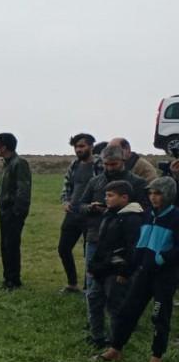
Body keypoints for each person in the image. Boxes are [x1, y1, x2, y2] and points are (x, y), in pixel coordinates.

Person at [100, 176, 179, 362]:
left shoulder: (176, 217)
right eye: (151, 193)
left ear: (168, 195)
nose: (153, 197)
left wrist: (162, 259)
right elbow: (139, 246)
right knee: (128, 311)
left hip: (165, 276)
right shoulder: (147, 215)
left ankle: (156, 358)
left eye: (158, 193)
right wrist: (128, 270)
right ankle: (115, 349)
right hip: (144, 273)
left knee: (159, 316)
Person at [77, 144, 147, 340]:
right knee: (93, 289)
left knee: (119, 290)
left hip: (123, 245)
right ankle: (95, 329)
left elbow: (145, 209)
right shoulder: (95, 182)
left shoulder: (137, 183)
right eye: (106, 164)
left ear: (123, 161)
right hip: (96, 239)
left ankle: (122, 330)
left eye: (113, 164)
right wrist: (91, 208)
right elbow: (80, 206)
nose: (109, 168)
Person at [83, 180, 143, 347]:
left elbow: (133, 249)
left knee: (115, 307)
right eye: (106, 195)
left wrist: (125, 272)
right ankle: (97, 337)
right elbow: (102, 244)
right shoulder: (109, 215)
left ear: (124, 198)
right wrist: (93, 266)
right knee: (93, 299)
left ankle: (116, 342)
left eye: (110, 195)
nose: (106, 199)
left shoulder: (132, 219)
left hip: (116, 272)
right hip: (101, 269)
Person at [57, 133, 99, 293]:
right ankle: (72, 283)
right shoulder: (74, 164)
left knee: (89, 253)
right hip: (73, 213)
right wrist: (65, 201)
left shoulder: (99, 164)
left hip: (91, 215)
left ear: (91, 146)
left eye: (82, 146)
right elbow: (67, 185)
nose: (78, 150)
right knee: (63, 248)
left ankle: (89, 287)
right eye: (76, 147)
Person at [0, 132, 32, 290]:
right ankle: (7, 278)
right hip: (4, 211)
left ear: (4, 147)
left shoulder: (19, 163)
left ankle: (14, 280)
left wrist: (18, 211)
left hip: (13, 212)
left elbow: (23, 189)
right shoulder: (7, 163)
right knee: (5, 245)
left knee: (11, 245)